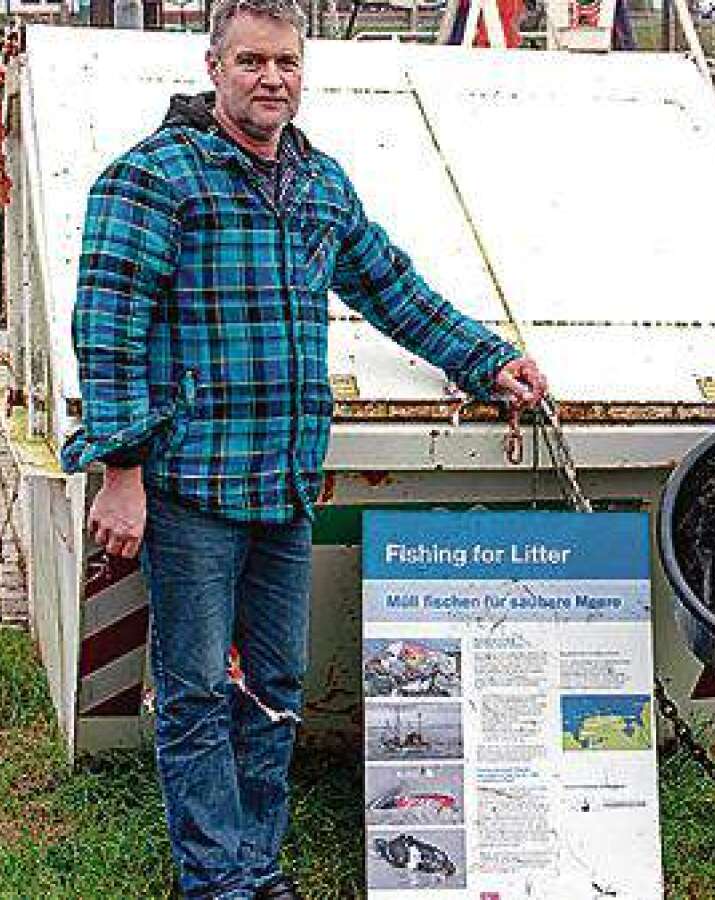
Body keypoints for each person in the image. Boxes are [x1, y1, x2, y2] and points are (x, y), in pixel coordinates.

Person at [60, 0, 546, 897]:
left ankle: (256, 861)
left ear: (301, 72)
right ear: (213, 69)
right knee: (199, 690)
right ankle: (213, 877)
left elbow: (392, 286)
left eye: (285, 62)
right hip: (192, 485)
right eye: (250, 62)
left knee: (275, 687)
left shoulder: (319, 184)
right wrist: (119, 470)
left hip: (285, 484)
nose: (270, 78)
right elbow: (108, 327)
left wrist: (487, 362)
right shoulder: (153, 177)